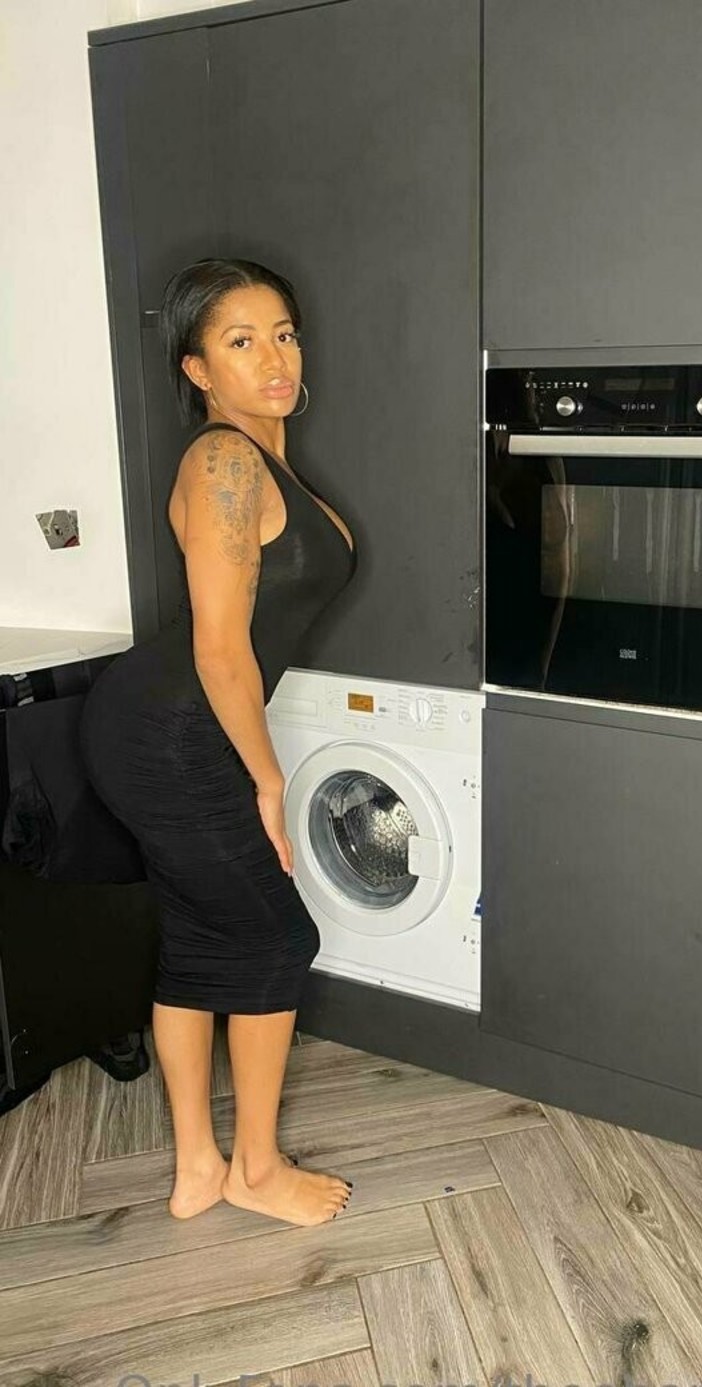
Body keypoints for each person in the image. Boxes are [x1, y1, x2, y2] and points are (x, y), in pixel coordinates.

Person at [79, 258, 358, 1227]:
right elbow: (219, 647)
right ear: (198, 369)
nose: (274, 358)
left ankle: (199, 1165)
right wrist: (267, 779)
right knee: (280, 936)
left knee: (201, 934)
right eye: (241, 341)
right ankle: (256, 1169)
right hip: (169, 733)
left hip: (163, 726)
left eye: (283, 333)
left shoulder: (257, 459)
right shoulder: (224, 463)